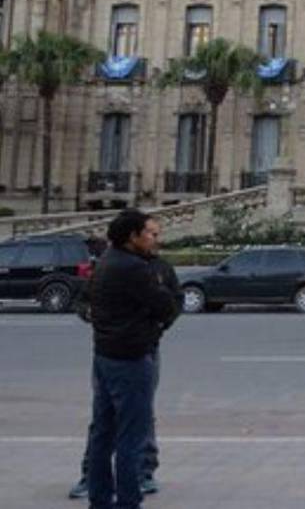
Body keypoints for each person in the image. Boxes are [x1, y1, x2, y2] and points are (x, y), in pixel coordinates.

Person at [83, 211, 179, 509]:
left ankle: (99, 498)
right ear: (132, 237)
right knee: (131, 436)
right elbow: (166, 306)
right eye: (149, 233)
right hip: (132, 358)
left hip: (105, 355)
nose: (154, 239)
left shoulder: (105, 263)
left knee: (102, 432)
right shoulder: (135, 268)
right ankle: (128, 500)